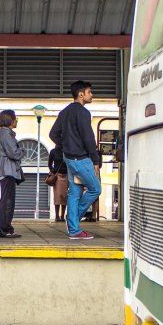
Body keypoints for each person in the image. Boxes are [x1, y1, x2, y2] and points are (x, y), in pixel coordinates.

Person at [49, 80, 102, 240]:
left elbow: (53, 134)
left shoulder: (64, 112)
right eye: (89, 92)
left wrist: (66, 146)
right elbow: (88, 138)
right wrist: (95, 160)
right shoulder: (83, 113)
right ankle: (72, 221)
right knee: (95, 189)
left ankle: (74, 230)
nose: (92, 95)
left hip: (69, 159)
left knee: (75, 192)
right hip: (81, 159)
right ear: (81, 94)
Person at [0, 110, 23, 239]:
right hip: (7, 170)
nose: (16, 121)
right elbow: (14, 153)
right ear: (10, 120)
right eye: (15, 118)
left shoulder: (3, 133)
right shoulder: (5, 134)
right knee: (7, 201)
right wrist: (22, 150)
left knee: (7, 200)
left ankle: (6, 228)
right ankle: (5, 229)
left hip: (5, 170)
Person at [48, 147, 69, 223]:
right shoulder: (53, 151)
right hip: (58, 175)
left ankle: (62, 215)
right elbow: (49, 164)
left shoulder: (67, 150)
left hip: (66, 175)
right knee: (57, 195)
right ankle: (57, 215)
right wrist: (53, 171)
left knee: (64, 196)